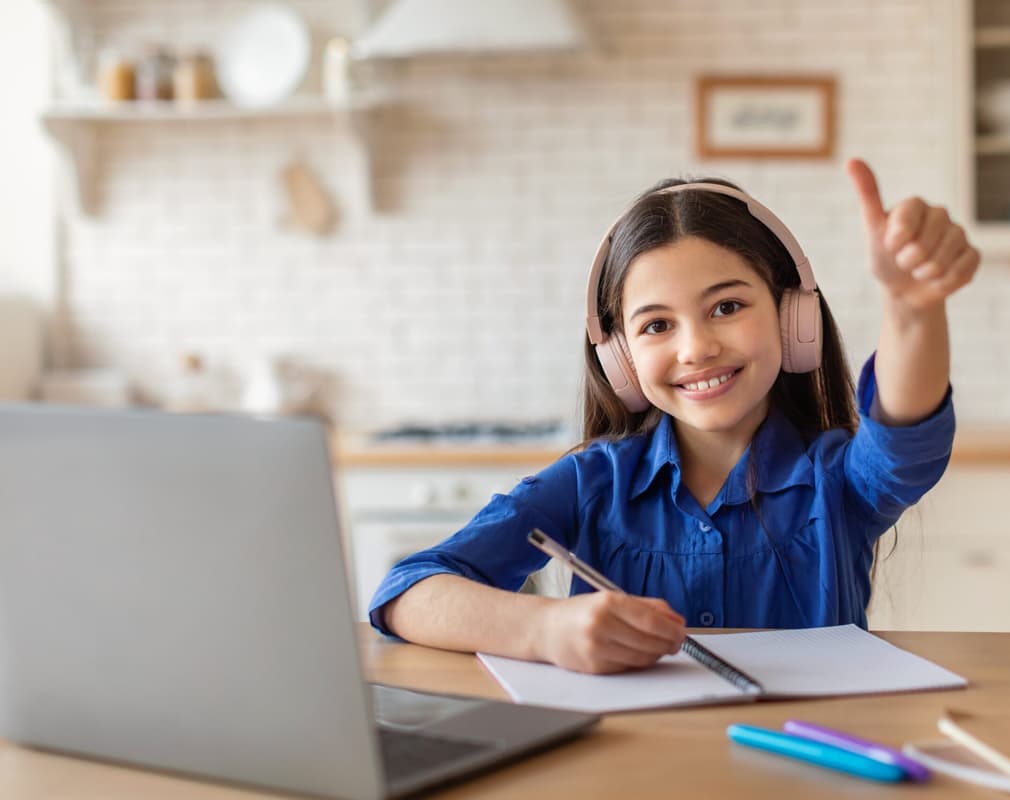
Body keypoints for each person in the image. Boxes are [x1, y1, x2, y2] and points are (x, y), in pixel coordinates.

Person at [369, 159, 979, 675]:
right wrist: (544, 630)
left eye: (727, 306)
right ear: (620, 358)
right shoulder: (590, 484)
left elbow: (904, 439)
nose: (696, 349)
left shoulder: (838, 481)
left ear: (795, 318)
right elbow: (405, 594)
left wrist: (912, 309)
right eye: (658, 325)